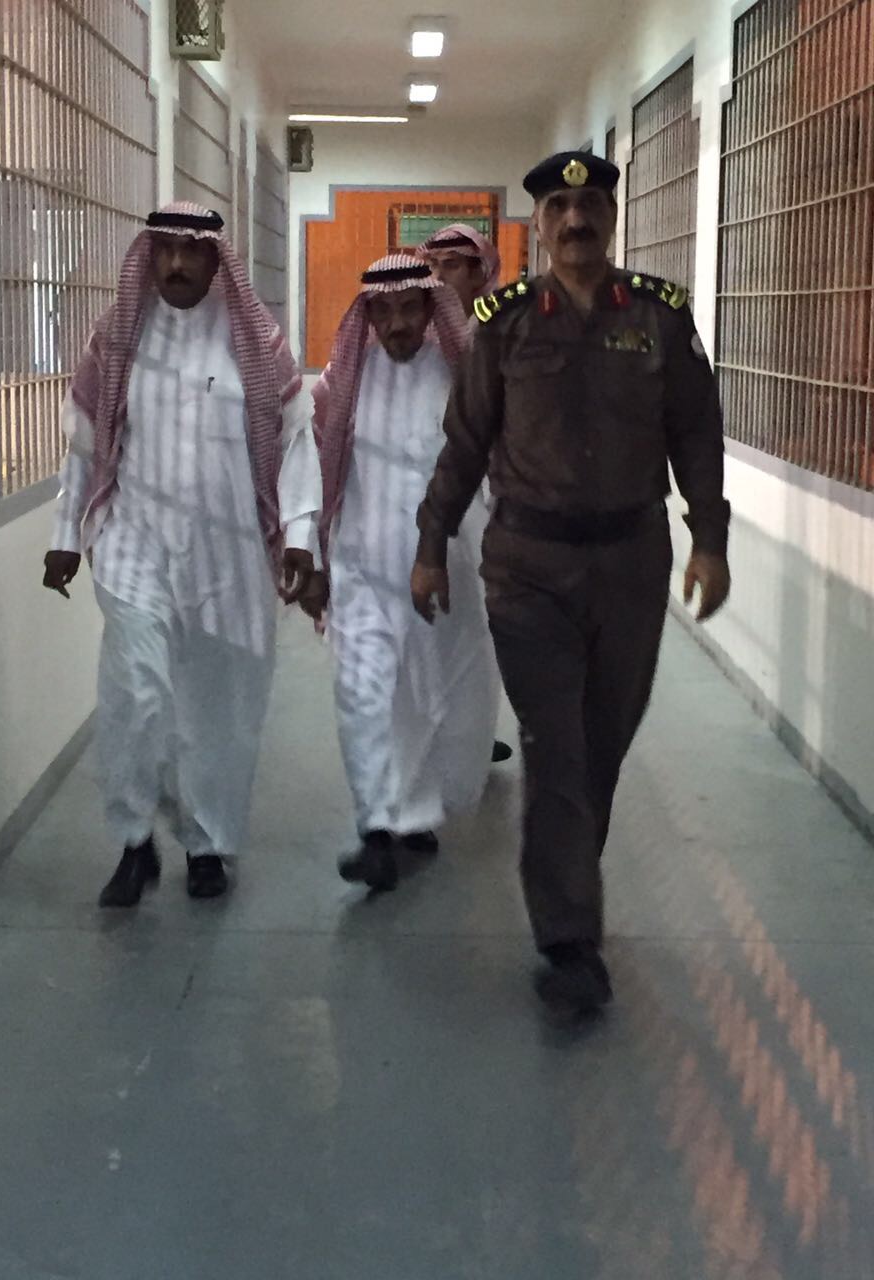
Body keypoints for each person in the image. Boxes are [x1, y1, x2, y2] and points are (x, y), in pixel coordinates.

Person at [411, 152, 731, 1010]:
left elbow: (697, 433)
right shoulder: (506, 321)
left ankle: (569, 888)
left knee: (601, 744)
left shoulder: (659, 316)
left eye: (590, 205)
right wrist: (432, 540)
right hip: (530, 567)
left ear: (612, 217)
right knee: (555, 747)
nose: (576, 219)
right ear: (540, 225)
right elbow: (465, 440)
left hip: (631, 563)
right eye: (559, 206)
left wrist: (709, 539)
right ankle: (568, 941)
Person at [43, 202, 325, 908]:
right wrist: (65, 535)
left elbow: (296, 443)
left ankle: (206, 844)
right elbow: (85, 447)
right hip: (133, 544)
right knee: (137, 693)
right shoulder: (117, 338)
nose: (175, 263)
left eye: (190, 251)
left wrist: (299, 537)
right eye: (164, 249)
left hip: (227, 556)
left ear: (213, 259)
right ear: (149, 255)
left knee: (216, 709)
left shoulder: (254, 343)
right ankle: (134, 840)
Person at [313, 254, 498, 893]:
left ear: (428, 310)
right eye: (383, 311)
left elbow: (496, 468)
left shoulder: (459, 377)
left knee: (428, 697)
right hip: (362, 566)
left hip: (446, 570)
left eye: (409, 309)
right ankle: (374, 830)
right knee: (362, 694)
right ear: (367, 314)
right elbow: (318, 465)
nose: (396, 324)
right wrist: (311, 554)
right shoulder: (346, 380)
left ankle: (414, 814)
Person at [417, 223, 513, 766]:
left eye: (451, 265)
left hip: (491, 503)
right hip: (432, 502)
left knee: (478, 628)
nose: (438, 276)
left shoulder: (504, 331)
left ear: (481, 272)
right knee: (430, 626)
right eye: (432, 264)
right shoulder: (420, 335)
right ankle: (436, 733)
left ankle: (472, 732)